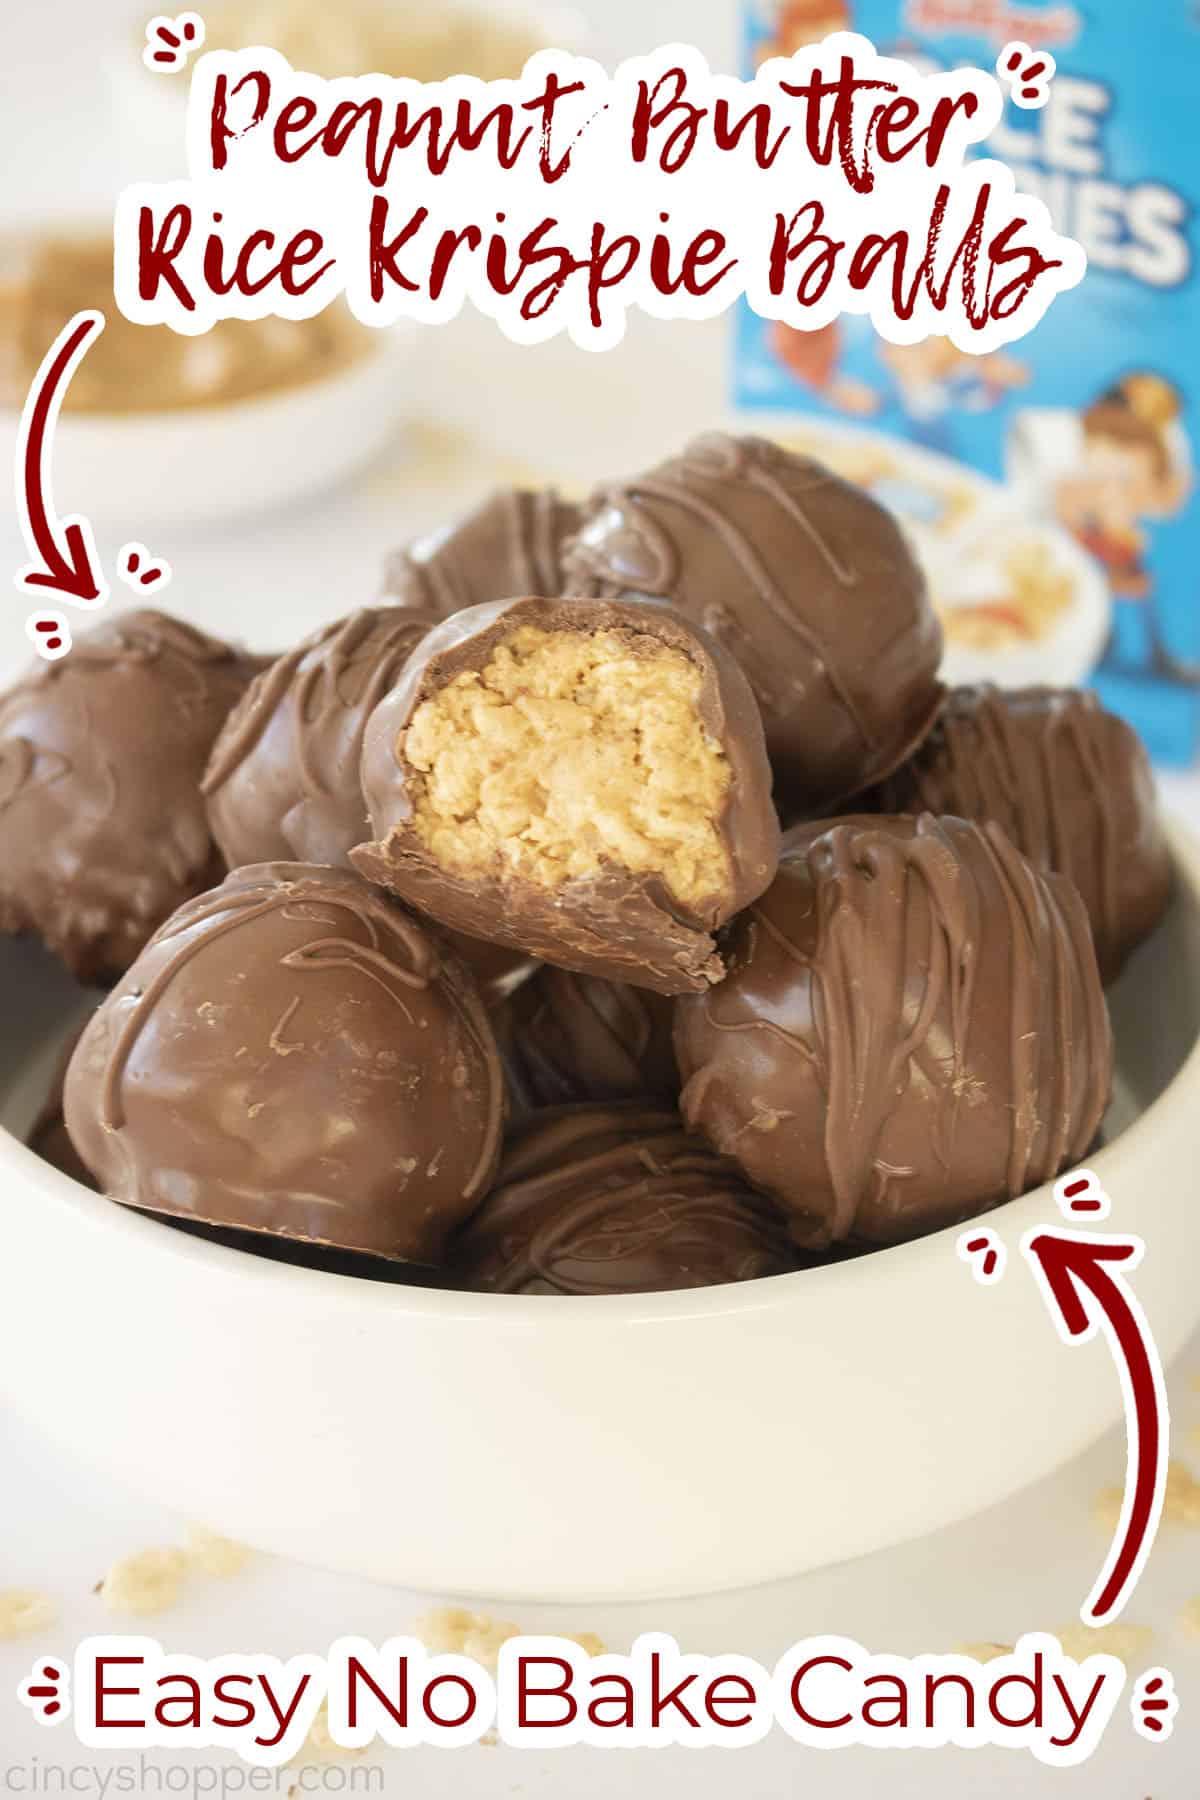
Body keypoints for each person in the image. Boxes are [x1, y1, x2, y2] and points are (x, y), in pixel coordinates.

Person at [1054, 374, 1194, 683]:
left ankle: (1153, 650)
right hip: (1083, 531)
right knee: (1090, 582)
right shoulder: (1088, 437)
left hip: (1112, 530)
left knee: (1138, 584)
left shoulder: (1148, 446)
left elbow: (1163, 491)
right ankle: (1103, 639)